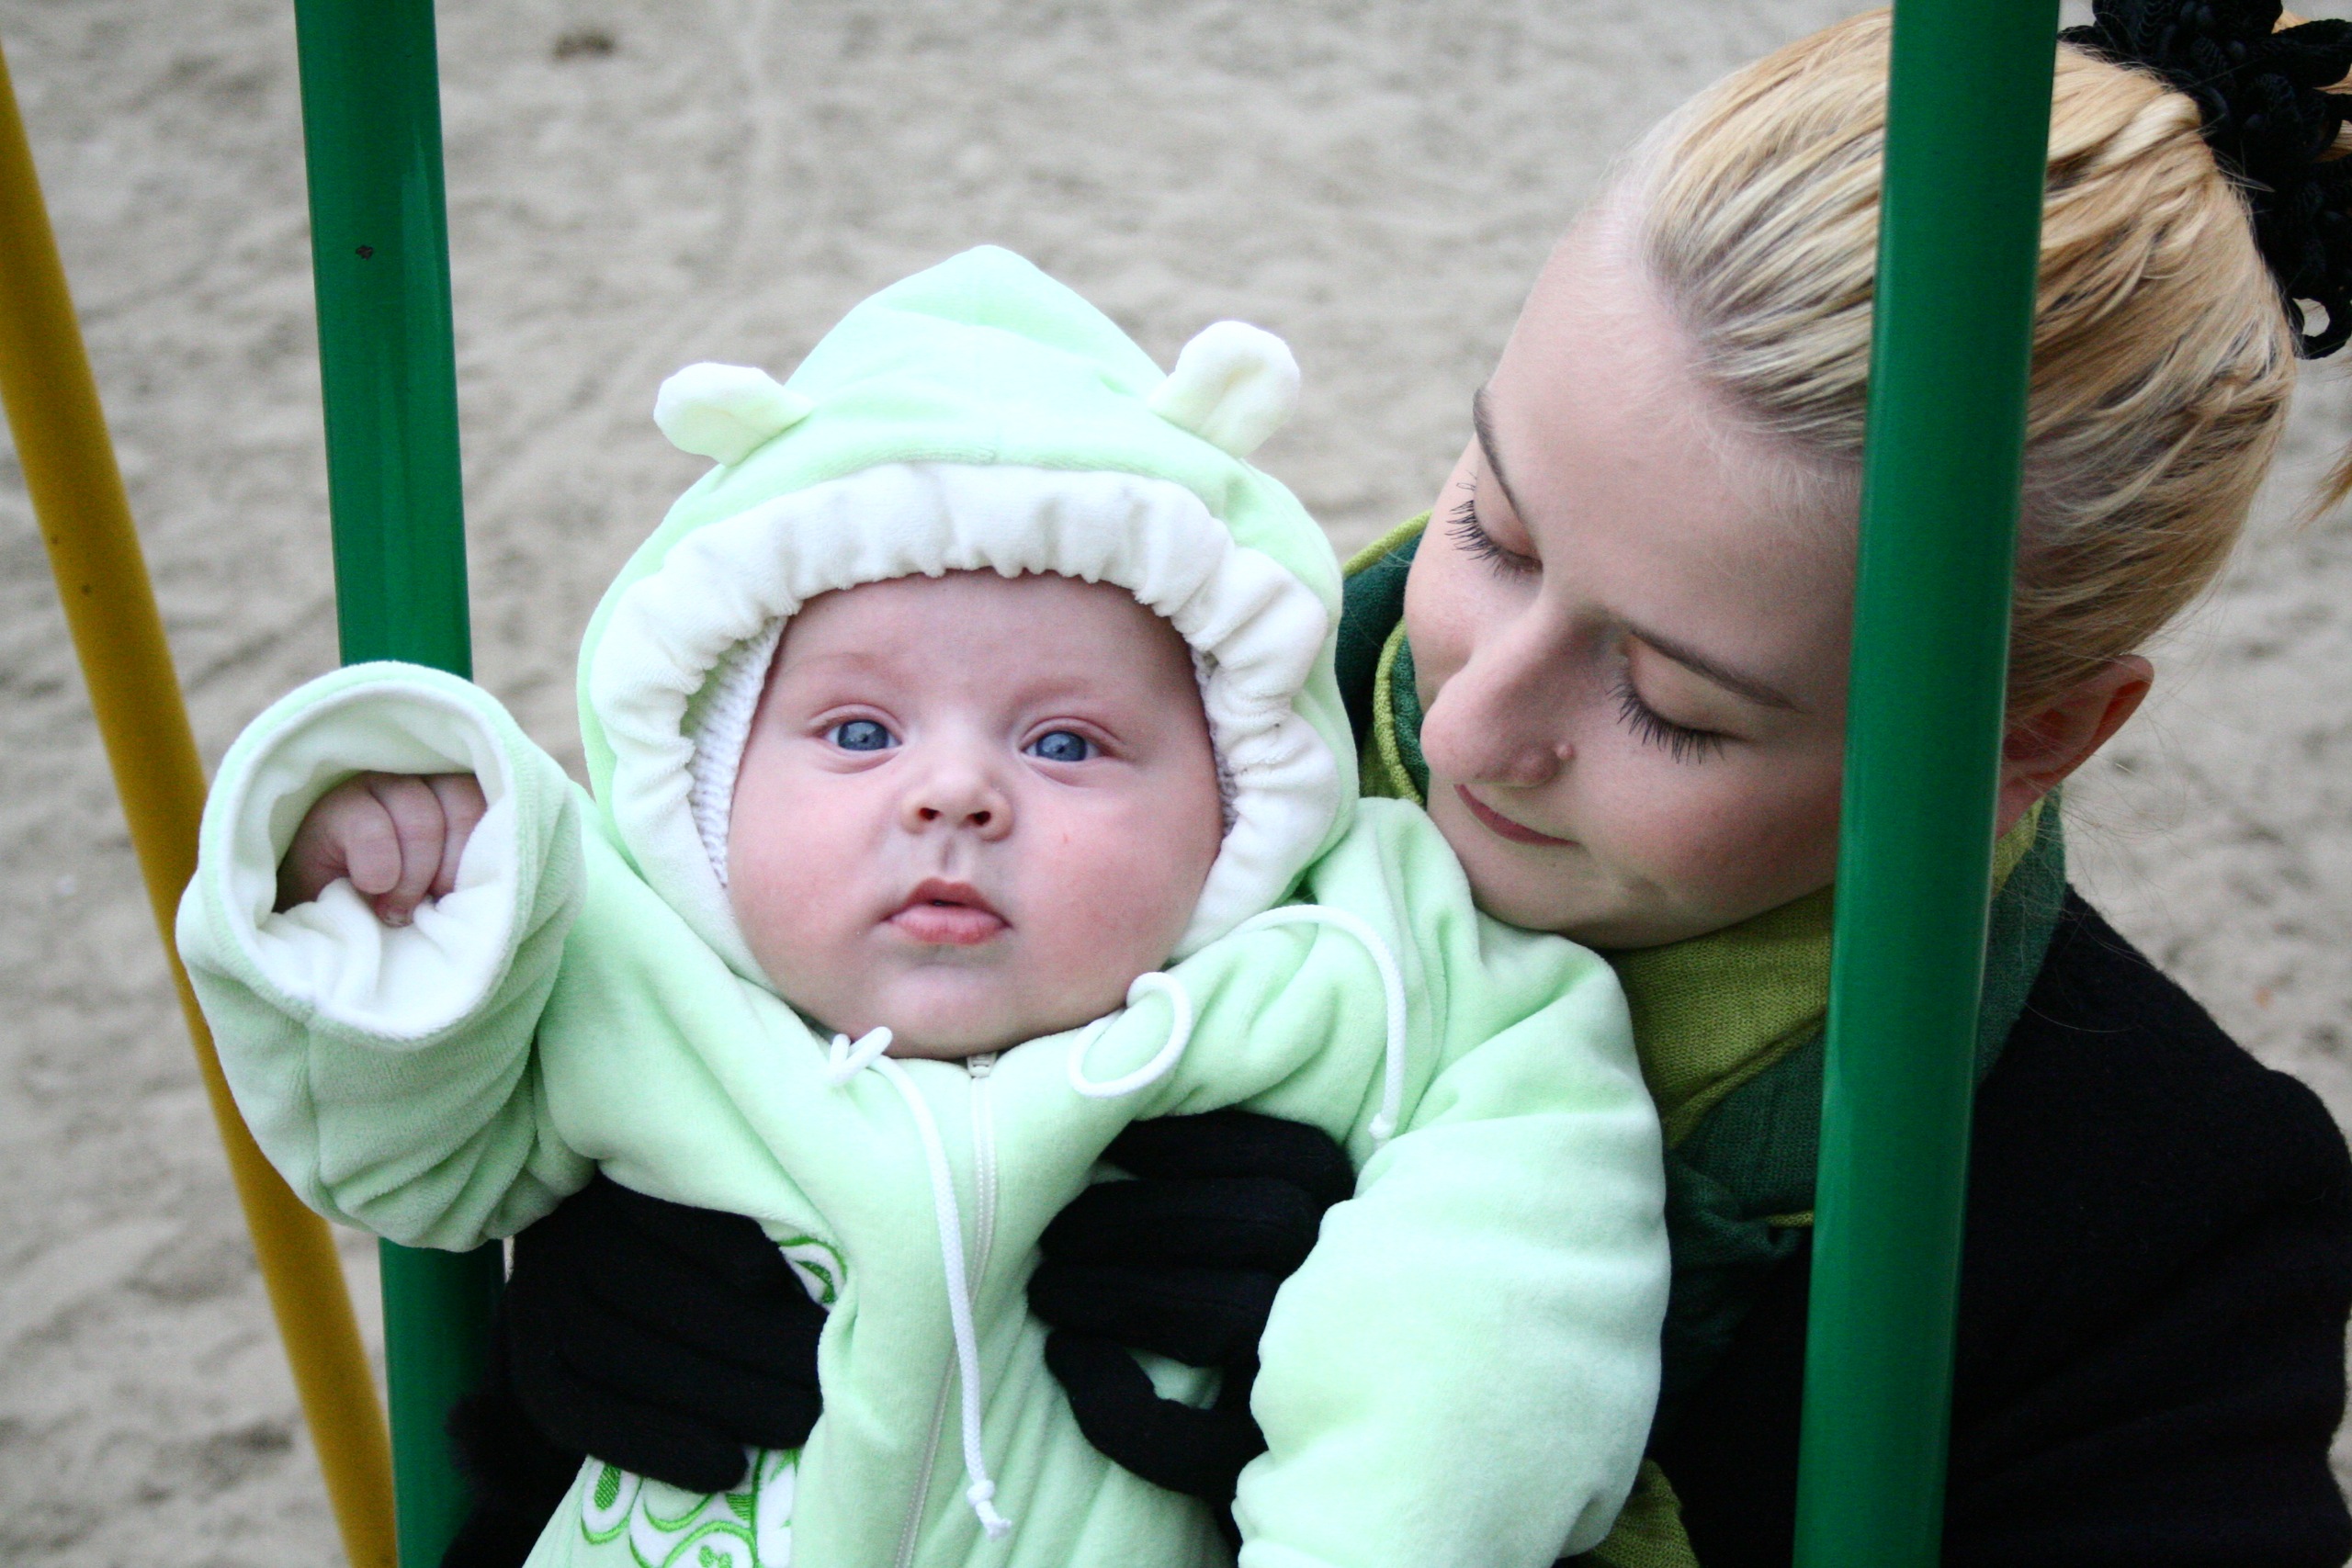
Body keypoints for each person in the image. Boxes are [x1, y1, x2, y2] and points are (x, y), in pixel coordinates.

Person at [476, 5, 2352, 1566]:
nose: (1462, 731)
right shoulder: (1122, 689)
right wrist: (591, 1302)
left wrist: (1490, 1460)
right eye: (1494, 529)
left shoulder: (2153, 1233)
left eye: (1674, 706)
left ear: (2032, 735)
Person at [176, 246, 1670, 1568]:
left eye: (1067, 744)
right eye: (858, 731)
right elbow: (404, 1162)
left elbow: (1508, 1273)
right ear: (711, 790)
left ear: (1235, 803)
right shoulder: (612, 960)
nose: (954, 793)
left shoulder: (1356, 973)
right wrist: (399, 906)